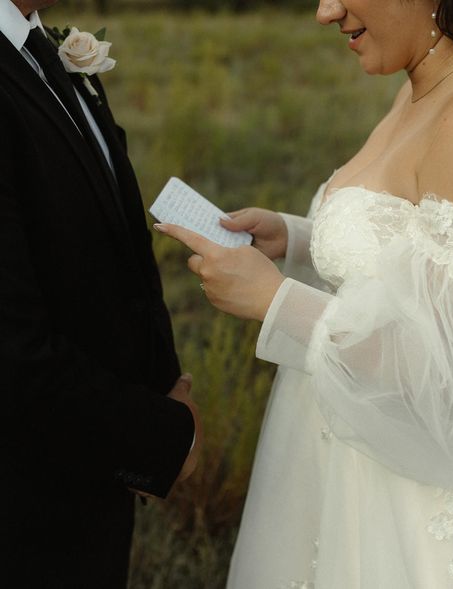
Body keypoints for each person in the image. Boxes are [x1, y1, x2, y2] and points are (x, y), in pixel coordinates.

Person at [155, 0, 453, 586]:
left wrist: (279, 304)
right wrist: (295, 237)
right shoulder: (419, 83)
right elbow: (407, 246)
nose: (325, 12)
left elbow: (450, 364)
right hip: (324, 456)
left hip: (396, 493)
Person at [0, 1, 202, 587]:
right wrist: (165, 435)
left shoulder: (39, 49)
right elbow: (12, 355)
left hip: (80, 495)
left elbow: (101, 252)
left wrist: (163, 378)